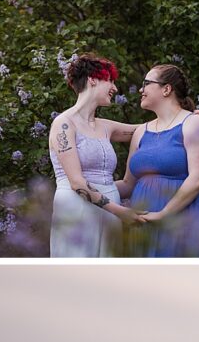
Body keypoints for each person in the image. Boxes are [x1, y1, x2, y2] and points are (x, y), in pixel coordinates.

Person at [115, 64, 199, 257]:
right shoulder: (141, 131)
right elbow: (128, 184)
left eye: (146, 83)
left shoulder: (194, 124)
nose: (141, 90)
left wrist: (163, 214)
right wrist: (89, 189)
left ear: (166, 89)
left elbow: (198, 178)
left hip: (188, 218)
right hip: (146, 223)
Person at [48, 54, 150, 257]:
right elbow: (77, 183)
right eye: (110, 80)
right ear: (93, 79)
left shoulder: (105, 126)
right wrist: (121, 211)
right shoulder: (64, 124)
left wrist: (186, 119)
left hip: (110, 214)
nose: (115, 88)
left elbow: (147, 130)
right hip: (77, 211)